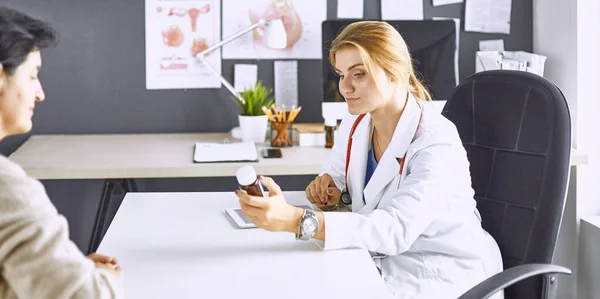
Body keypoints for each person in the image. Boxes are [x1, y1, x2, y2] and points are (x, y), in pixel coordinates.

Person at [235, 21, 504, 298]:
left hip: (438, 271)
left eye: (358, 74)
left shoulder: (436, 140)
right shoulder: (356, 119)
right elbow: (337, 171)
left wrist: (298, 221)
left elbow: (396, 228)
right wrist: (330, 186)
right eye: (341, 75)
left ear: (394, 73)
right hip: (378, 259)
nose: (345, 87)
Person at [0, 7, 124, 298]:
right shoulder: (8, 189)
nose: (40, 93)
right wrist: (102, 279)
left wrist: (68, 270)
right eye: (32, 76)